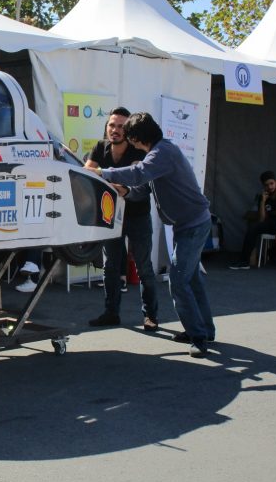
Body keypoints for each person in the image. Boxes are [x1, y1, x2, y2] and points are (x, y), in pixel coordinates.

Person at [91, 112, 214, 358]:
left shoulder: (162, 153)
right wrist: (126, 192)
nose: (127, 138)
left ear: (138, 137)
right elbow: (143, 186)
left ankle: (199, 337)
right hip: (188, 224)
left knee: (178, 280)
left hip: (193, 225)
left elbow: (138, 174)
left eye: (129, 134)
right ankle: (204, 330)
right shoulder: (159, 153)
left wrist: (103, 173)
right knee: (191, 280)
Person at [85, 107, 159, 331]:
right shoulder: (100, 147)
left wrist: (125, 190)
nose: (115, 130)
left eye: (120, 126)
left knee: (144, 267)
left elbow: (145, 187)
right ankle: (111, 313)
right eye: (111, 125)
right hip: (111, 217)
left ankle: (150, 315)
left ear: (129, 131)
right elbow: (87, 174)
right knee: (110, 267)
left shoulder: (140, 152)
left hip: (138, 216)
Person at [230, 170, 276, 269]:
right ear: (263, 186)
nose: (270, 187)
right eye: (267, 185)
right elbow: (262, 219)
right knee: (253, 227)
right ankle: (244, 261)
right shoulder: (263, 197)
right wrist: (263, 202)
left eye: (272, 183)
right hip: (273, 223)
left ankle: (272, 252)